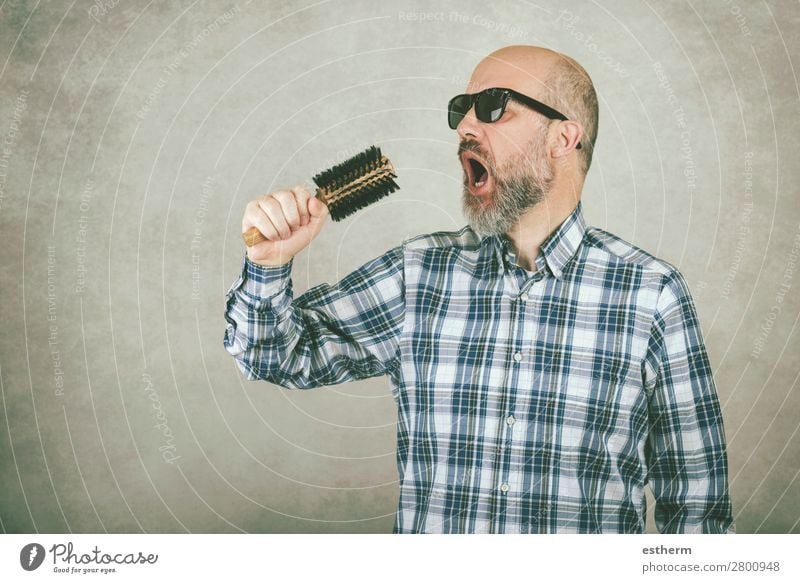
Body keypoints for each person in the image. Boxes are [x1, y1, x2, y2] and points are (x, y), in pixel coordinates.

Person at [223, 45, 734, 534]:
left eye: (493, 107)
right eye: (461, 110)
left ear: (563, 138)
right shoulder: (418, 275)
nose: (466, 125)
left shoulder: (651, 295)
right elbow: (273, 355)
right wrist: (268, 265)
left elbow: (697, 515)